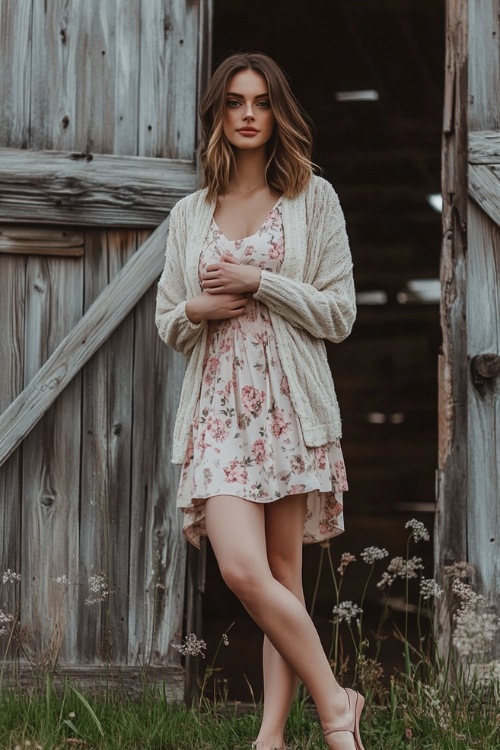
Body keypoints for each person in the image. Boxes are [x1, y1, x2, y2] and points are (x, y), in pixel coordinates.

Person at [155, 51, 363, 750]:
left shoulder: (314, 199)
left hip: (289, 408)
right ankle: (338, 705)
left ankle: (270, 736)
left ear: (279, 114)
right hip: (218, 411)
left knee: (283, 578)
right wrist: (204, 304)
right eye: (236, 102)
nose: (248, 114)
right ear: (218, 114)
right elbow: (169, 321)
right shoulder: (191, 214)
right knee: (242, 569)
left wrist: (258, 281)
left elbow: (340, 314)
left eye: (262, 102)